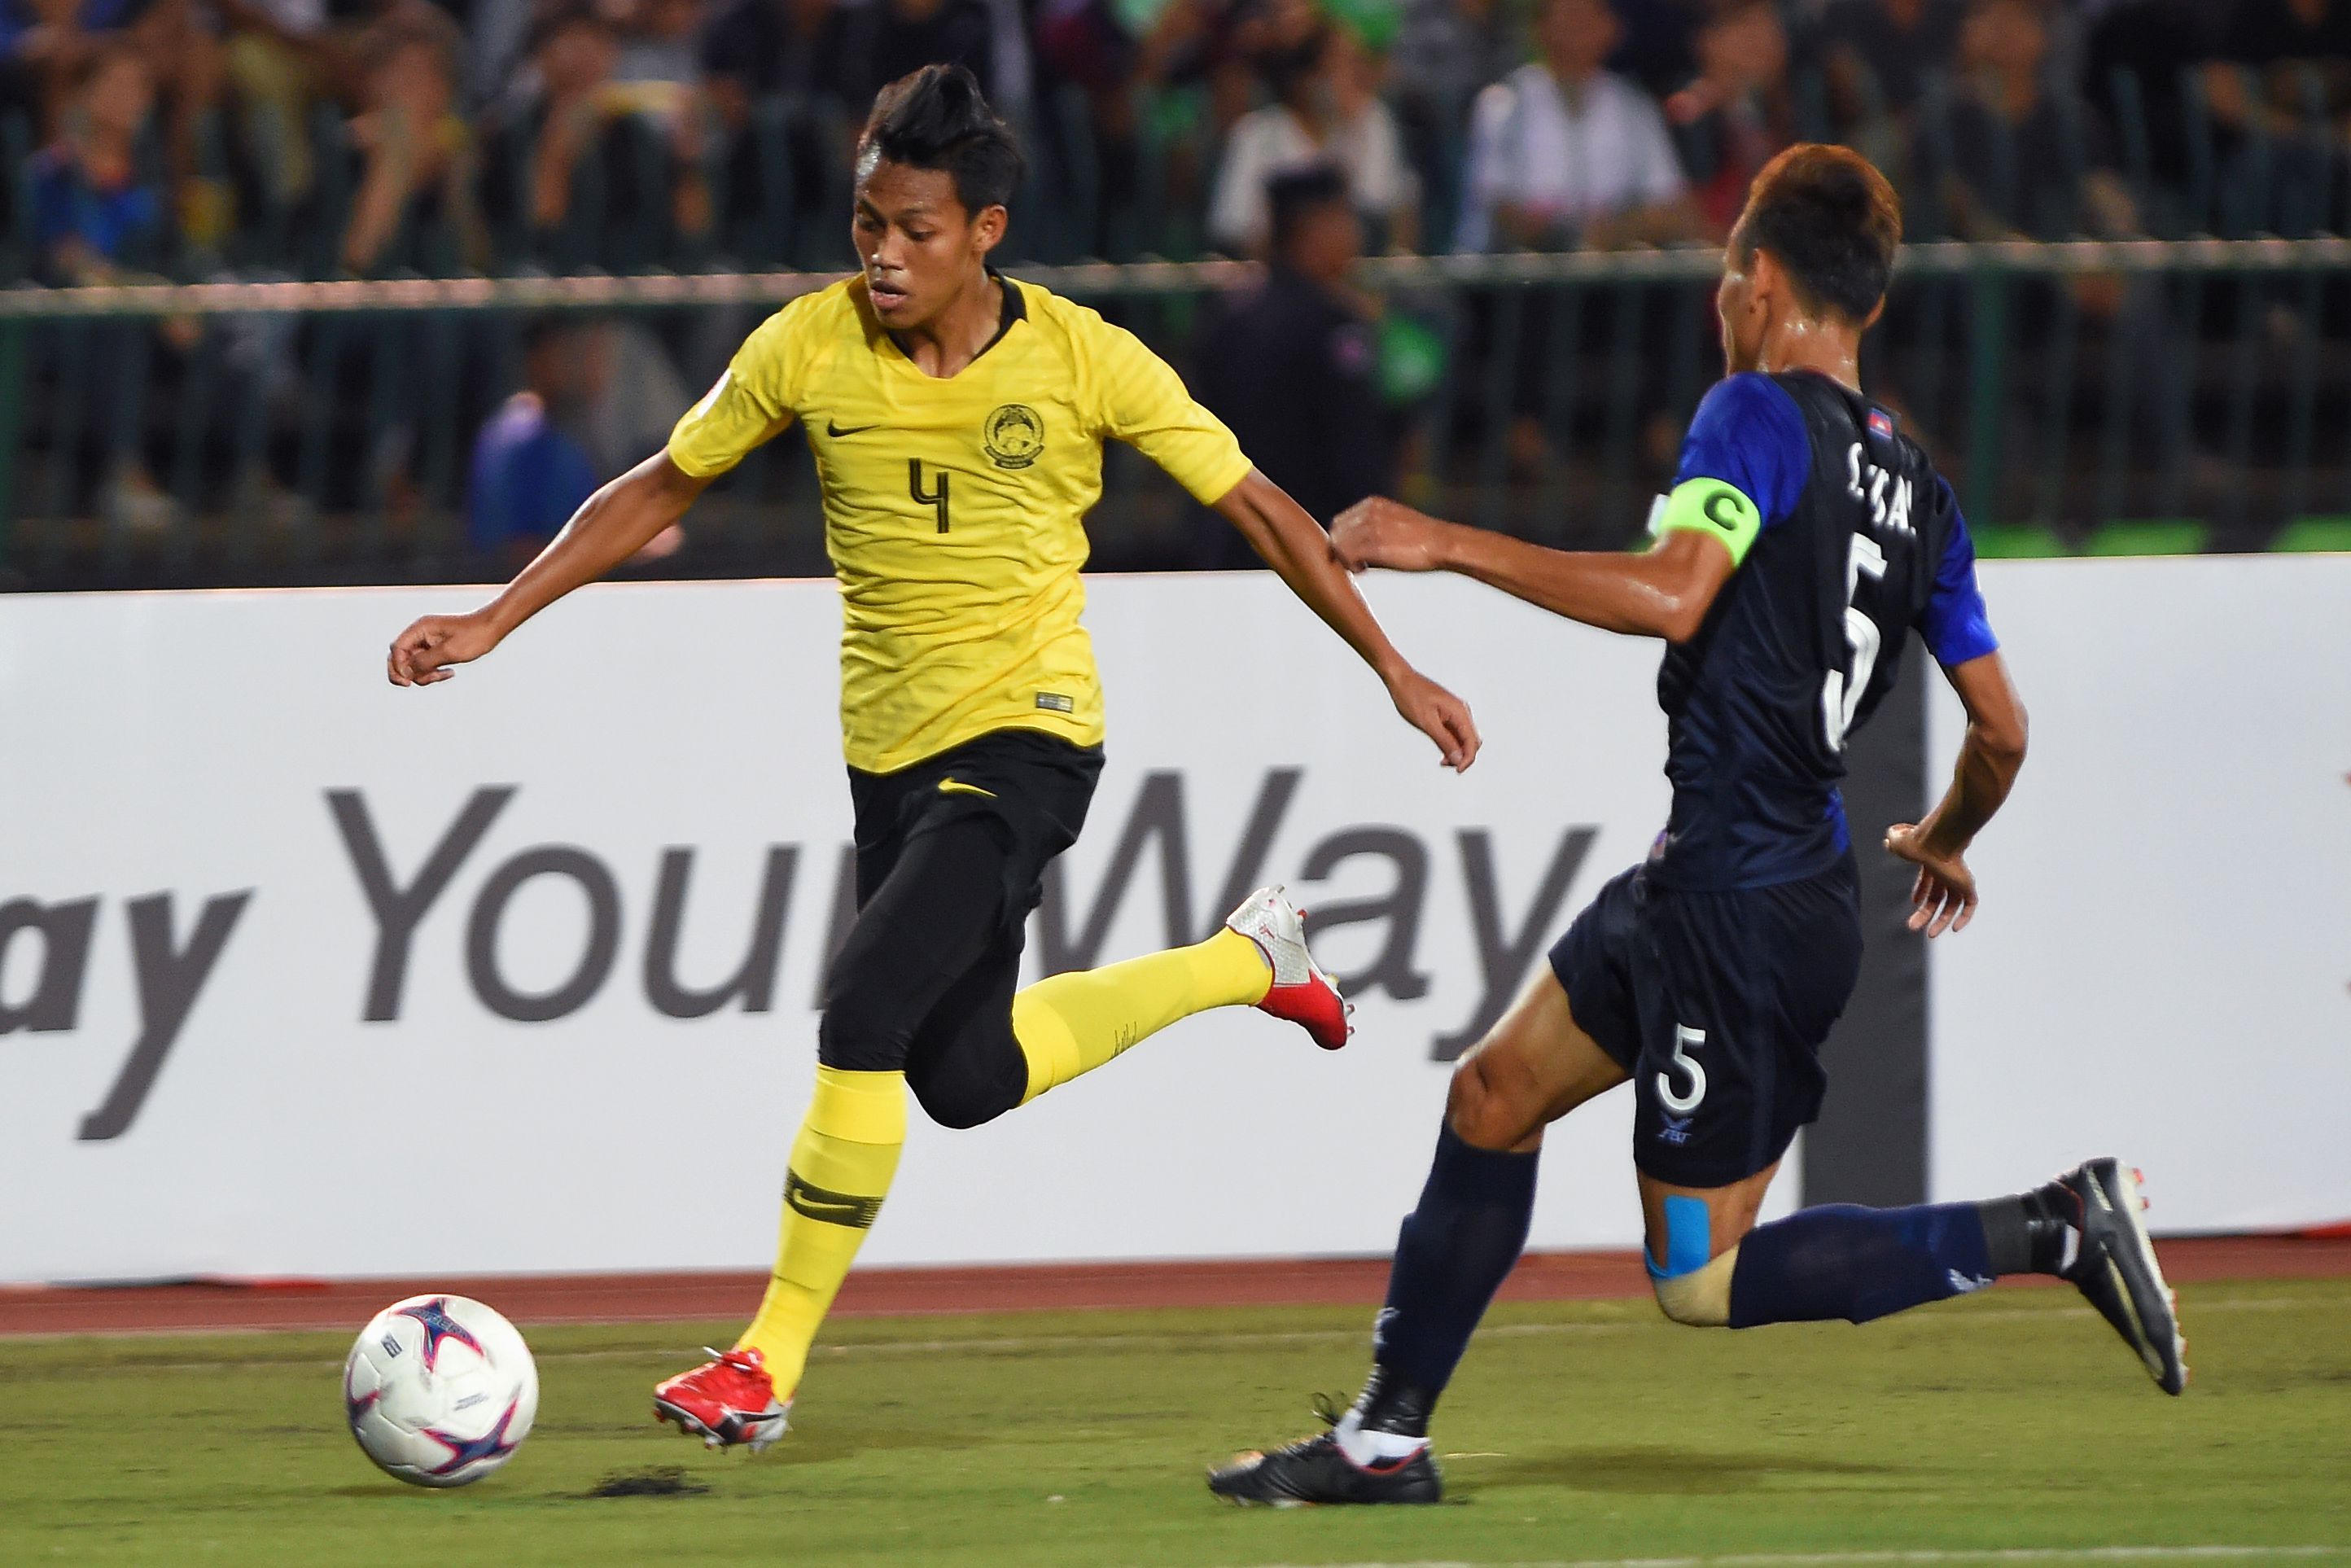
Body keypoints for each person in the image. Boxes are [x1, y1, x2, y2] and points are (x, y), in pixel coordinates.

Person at [386, 63, 1479, 1452]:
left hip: (1029, 739)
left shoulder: (1083, 357)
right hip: (889, 762)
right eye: (868, 225)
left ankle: (764, 1363)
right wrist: (496, 618)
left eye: (914, 229)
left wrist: (1391, 665)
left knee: (861, 1009)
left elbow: (1259, 507)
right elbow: (661, 483)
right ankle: (1247, 960)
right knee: (964, 1080)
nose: (884, 256)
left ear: (984, 231)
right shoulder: (806, 346)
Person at [1208, 143, 2185, 1508]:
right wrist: (1948, 834)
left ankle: (2054, 1225)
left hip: (1744, 905)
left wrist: (1447, 541)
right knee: (1492, 1097)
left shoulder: (1751, 413)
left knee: (1698, 1277)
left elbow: (1674, 593)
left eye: (1729, 273)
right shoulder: (1926, 496)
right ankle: (1384, 1440)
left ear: (1760, 280)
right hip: (1720, 880)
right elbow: (2002, 728)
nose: (1721, 298)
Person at [1191, 162, 1393, 560]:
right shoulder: (1334, 326)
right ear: (1312, 229)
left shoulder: (1226, 316)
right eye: (1344, 220)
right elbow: (1352, 447)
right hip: (1314, 540)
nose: (1355, 235)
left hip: (1229, 531)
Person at [1453, 0, 1701, 253]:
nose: (1575, 30)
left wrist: (1613, 231)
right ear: (1539, 28)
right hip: (1515, 268)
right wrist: (1567, 236)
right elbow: (1495, 204)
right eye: (1566, 18)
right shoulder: (1503, 104)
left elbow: (1669, 204)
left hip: (1613, 266)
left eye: (1586, 18)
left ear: (1611, 28)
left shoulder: (1634, 106)